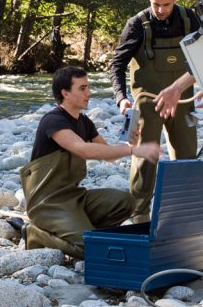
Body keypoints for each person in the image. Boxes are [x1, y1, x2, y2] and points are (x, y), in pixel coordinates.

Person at [21, 66, 161, 259]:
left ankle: (87, 232)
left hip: (75, 197)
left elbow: (109, 155)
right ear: (65, 93)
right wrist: (132, 151)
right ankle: (35, 234)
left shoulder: (84, 122)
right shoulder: (53, 121)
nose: (89, 93)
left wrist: (130, 143)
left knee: (125, 202)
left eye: (88, 87)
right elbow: (84, 150)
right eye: (82, 88)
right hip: (48, 203)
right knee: (91, 250)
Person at [109, 0, 201, 223]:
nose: (160, 10)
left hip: (183, 101)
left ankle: (181, 220)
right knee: (144, 161)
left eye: (166, 5)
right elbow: (116, 64)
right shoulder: (136, 24)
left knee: (187, 159)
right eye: (156, 4)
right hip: (146, 104)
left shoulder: (189, 19)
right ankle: (141, 220)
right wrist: (121, 99)